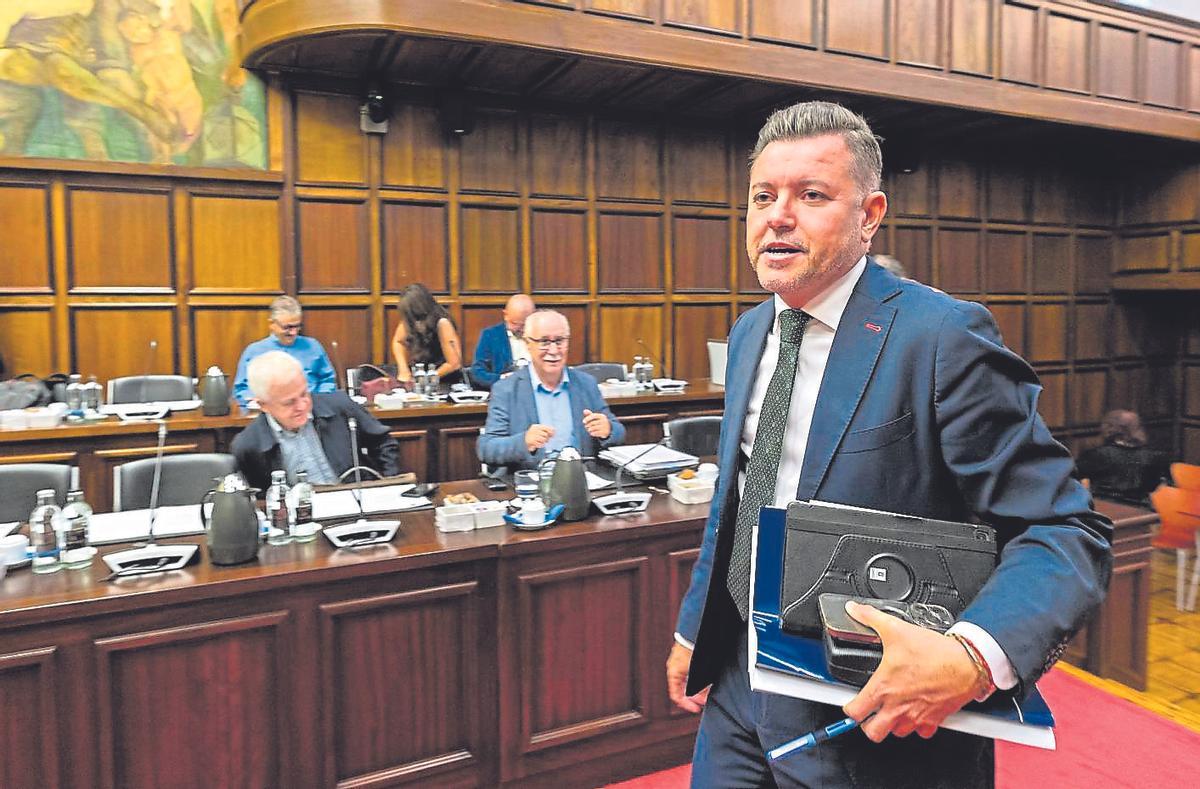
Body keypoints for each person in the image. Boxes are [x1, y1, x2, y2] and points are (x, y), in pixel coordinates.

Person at [666, 101, 1112, 788]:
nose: (777, 215)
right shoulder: (754, 330)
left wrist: (969, 656)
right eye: (763, 195)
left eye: (811, 194)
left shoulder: (941, 337)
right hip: (736, 687)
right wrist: (695, 628)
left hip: (871, 716)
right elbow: (739, 501)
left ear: (869, 214)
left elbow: (1063, 529)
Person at [477, 309, 626, 471]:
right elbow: (486, 449)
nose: (554, 351)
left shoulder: (586, 384)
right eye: (544, 342)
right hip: (532, 483)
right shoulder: (506, 389)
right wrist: (524, 442)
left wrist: (608, 430)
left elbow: (619, 433)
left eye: (560, 341)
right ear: (528, 344)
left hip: (583, 481)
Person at [231, 351, 398, 492]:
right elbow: (259, 503)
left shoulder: (340, 405)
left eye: (304, 393)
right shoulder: (248, 446)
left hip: (359, 502)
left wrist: (387, 486)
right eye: (289, 402)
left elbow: (384, 442)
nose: (302, 406)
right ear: (263, 405)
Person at [232, 296, 337, 406]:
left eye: (297, 326)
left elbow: (328, 380)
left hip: (312, 410)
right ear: (272, 324)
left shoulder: (313, 346)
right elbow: (241, 389)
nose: (293, 332)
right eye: (287, 327)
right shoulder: (254, 351)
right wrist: (256, 402)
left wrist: (317, 401)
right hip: (267, 413)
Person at [1075, 409, 1170, 504]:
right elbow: (1157, 486)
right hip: (1141, 510)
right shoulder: (1153, 456)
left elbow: (1072, 476)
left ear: (1110, 428)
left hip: (1105, 508)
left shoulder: (1098, 454)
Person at [391, 283, 464, 387]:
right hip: (421, 373)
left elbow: (454, 363)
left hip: (445, 379)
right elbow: (398, 341)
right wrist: (403, 369)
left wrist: (427, 379)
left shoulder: (442, 323)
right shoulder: (410, 318)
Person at [467, 293, 535, 389]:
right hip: (505, 393)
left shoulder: (543, 336)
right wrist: (502, 378)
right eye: (515, 323)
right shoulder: (491, 335)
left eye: (525, 324)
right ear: (505, 315)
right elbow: (477, 373)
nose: (520, 329)